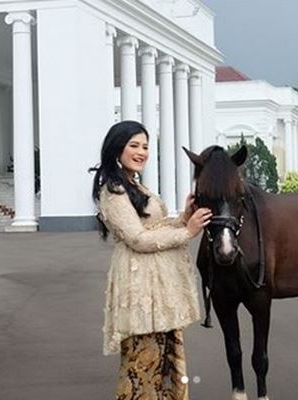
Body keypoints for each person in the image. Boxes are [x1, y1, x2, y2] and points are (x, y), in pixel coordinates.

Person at [90, 120, 212, 400]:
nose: (141, 152)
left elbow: (152, 227)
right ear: (117, 148)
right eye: (134, 145)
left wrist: (184, 217)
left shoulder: (133, 185)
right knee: (143, 361)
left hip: (157, 287)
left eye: (145, 146)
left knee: (164, 356)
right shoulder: (114, 190)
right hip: (139, 286)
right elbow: (138, 239)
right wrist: (188, 231)